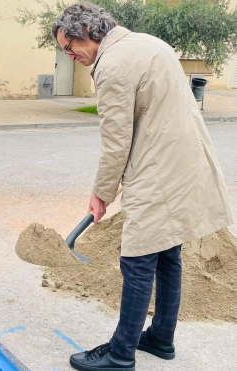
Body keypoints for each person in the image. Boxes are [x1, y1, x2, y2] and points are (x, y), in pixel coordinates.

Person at [51, 3, 234, 371]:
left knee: (136, 260)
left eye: (70, 48)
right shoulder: (149, 43)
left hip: (158, 170)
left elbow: (116, 140)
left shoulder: (113, 65)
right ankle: (162, 337)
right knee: (168, 253)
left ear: (88, 32)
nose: (70, 56)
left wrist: (101, 194)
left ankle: (121, 354)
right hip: (186, 162)